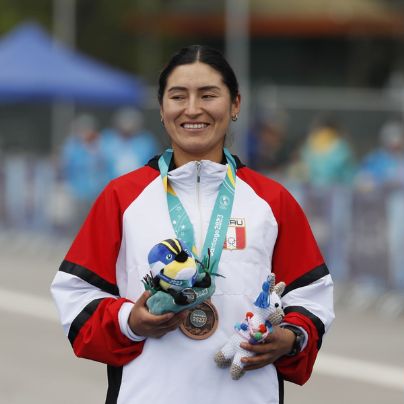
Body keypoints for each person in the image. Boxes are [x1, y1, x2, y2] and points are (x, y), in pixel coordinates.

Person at [50, 45, 334, 404]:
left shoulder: (272, 201)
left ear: (234, 105)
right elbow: (75, 294)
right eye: (178, 96)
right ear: (162, 107)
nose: (193, 109)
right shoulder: (122, 197)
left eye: (208, 95)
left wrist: (292, 336)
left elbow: (312, 294)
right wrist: (129, 321)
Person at [100, 107, 159, 179]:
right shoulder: (107, 139)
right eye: (124, 120)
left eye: (131, 121)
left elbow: (153, 163)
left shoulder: (146, 141)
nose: (127, 124)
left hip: (140, 183)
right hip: (110, 183)